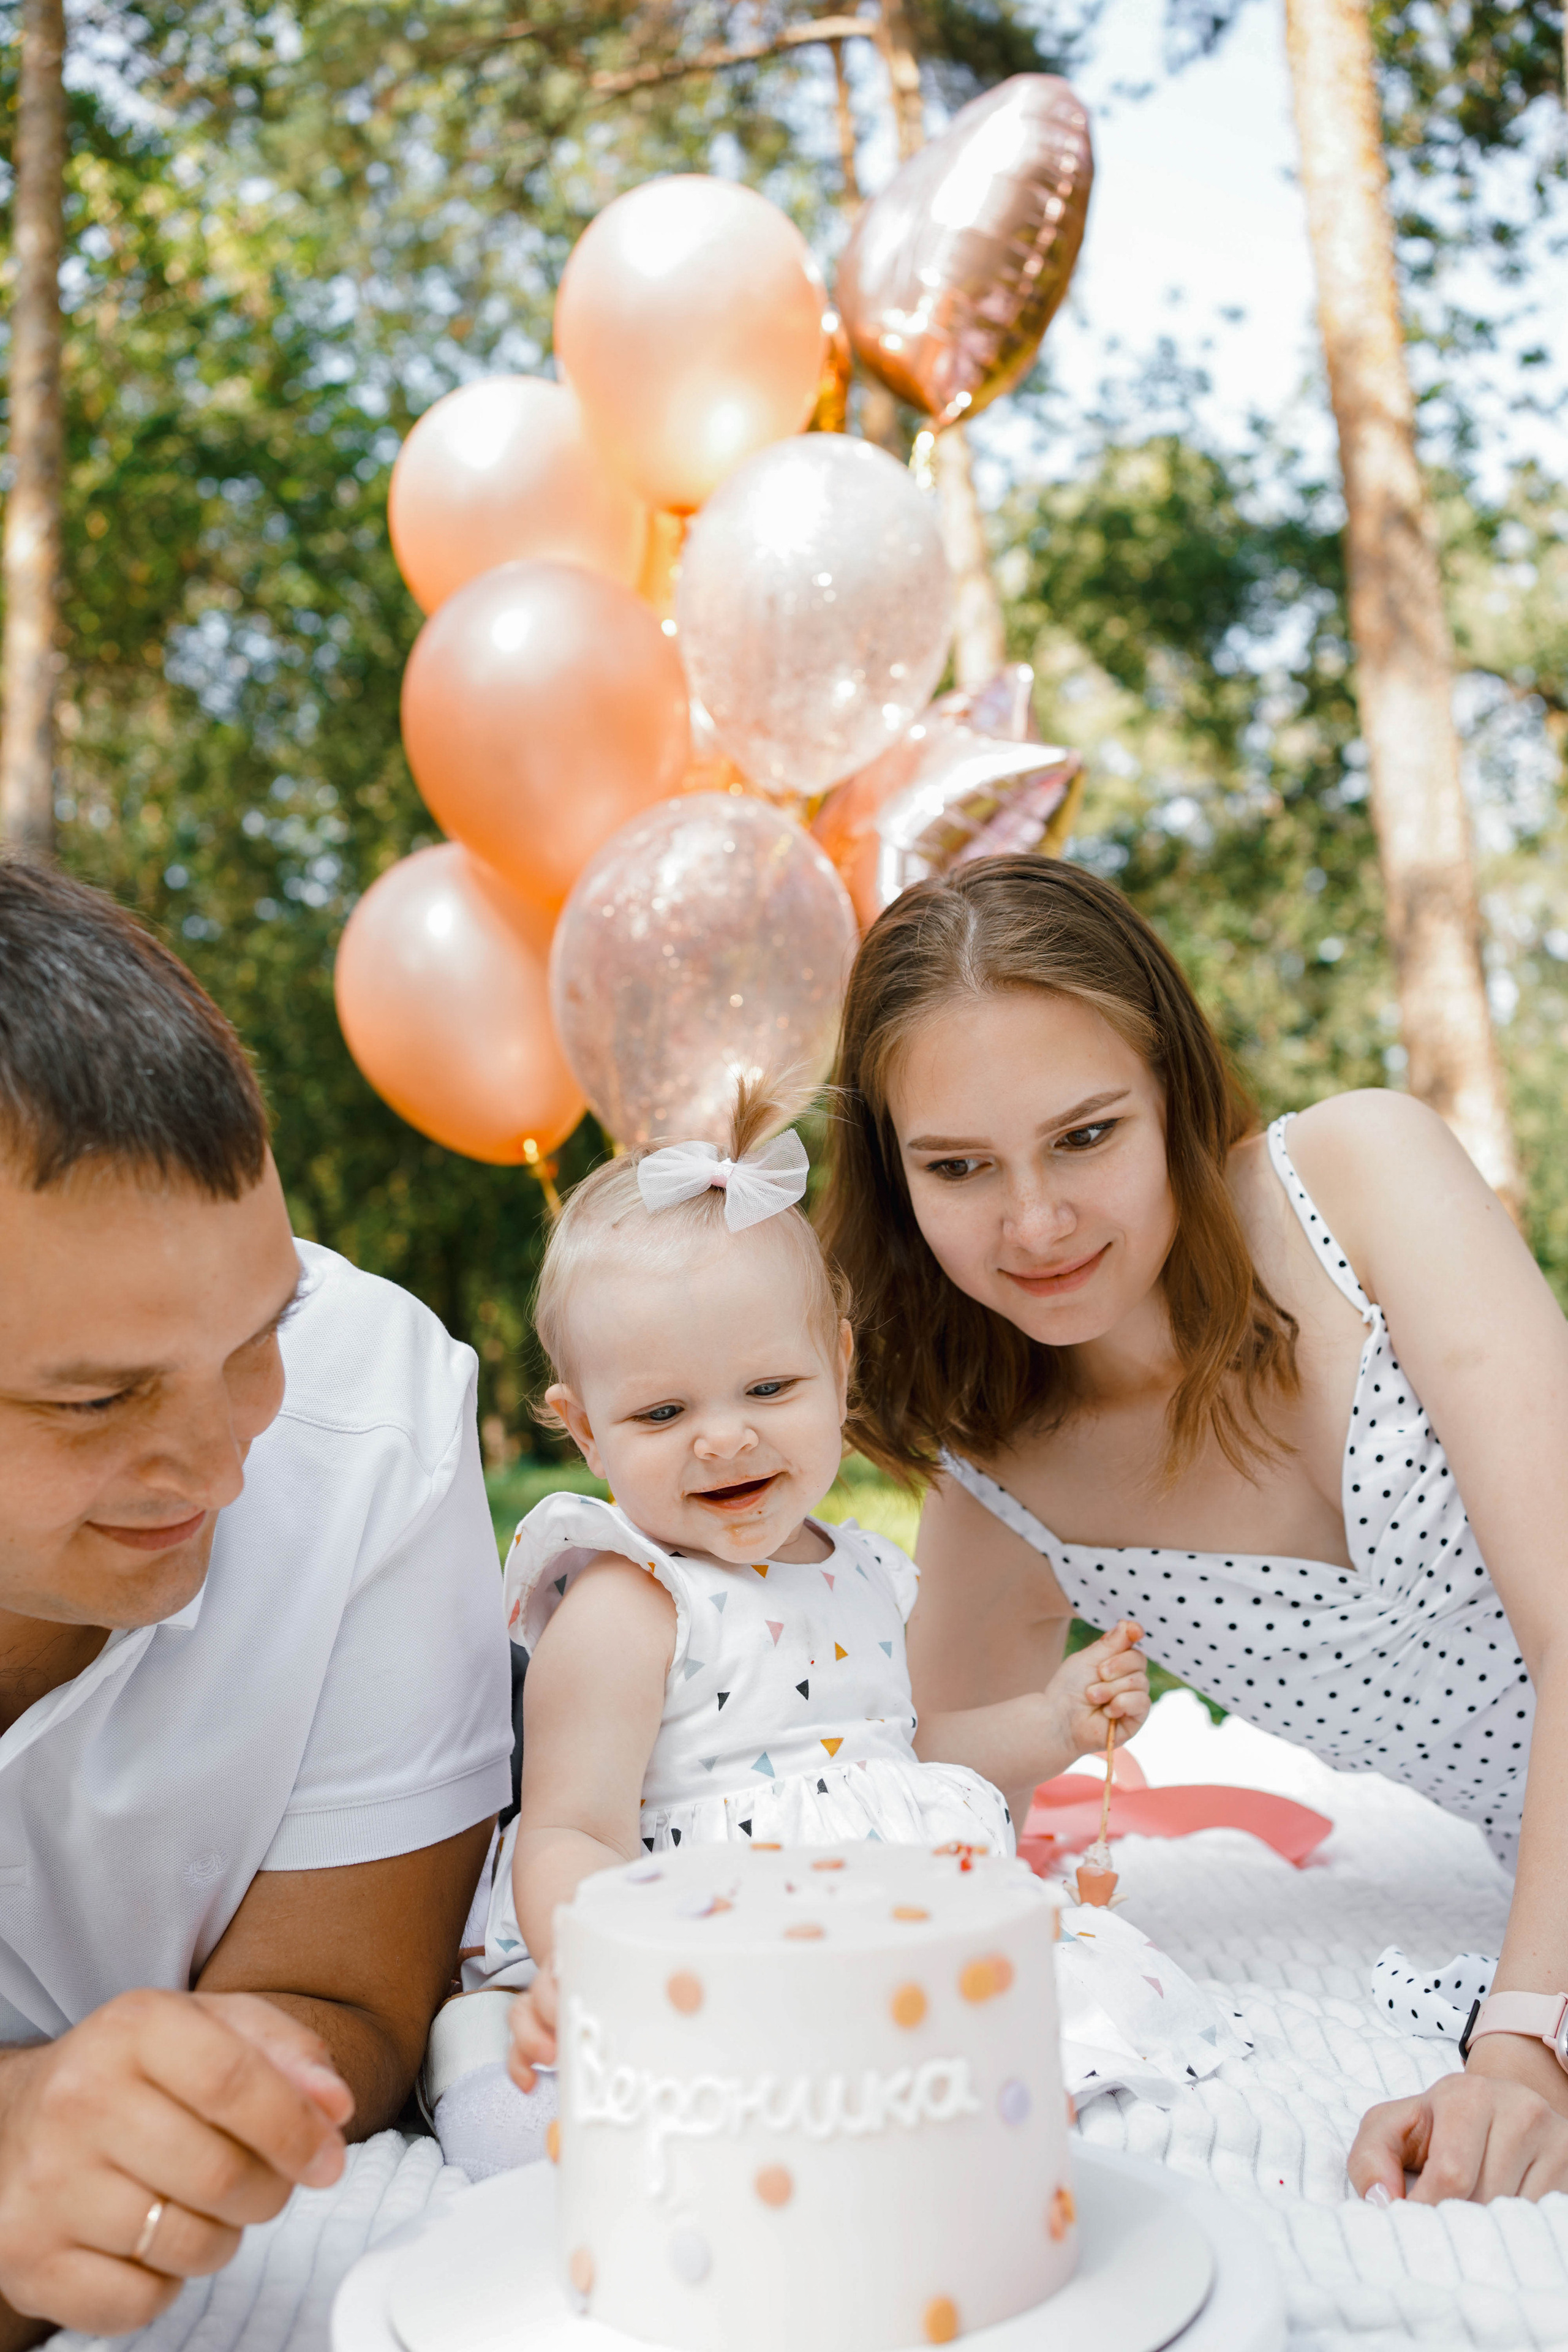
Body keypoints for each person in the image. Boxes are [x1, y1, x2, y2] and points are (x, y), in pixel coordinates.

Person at [818, 852, 1568, 2207]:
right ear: (893, 1176)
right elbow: (916, 1809)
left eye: (1085, 1134)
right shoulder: (997, 1490)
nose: (1033, 1221)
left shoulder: (1354, 1178)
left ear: (1169, 1088)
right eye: (957, 1166)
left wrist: (1522, 2044)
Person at [484, 1077, 1250, 2130]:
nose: (723, 1438)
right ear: (585, 1430)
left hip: (892, 1921)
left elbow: (901, 1748)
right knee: (759, 2077)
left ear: (839, 1367)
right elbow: (571, 1828)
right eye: (662, 1412)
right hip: (727, 1936)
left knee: (1061, 1996)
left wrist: (1054, 1723)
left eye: (768, 1390)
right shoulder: (631, 1603)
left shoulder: (856, 1571)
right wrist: (605, 1966)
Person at [0, 861, 513, 2345]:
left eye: (257, 1333)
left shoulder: (372, 1421)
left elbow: (344, 2000)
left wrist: (178, 2124)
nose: (226, 1462)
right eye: (96, 1399)